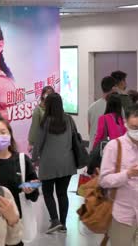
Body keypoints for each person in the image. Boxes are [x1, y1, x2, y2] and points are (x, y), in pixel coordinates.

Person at [100, 103, 138, 246]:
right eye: (135, 127)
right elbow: (104, 180)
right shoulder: (114, 147)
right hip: (122, 216)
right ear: (125, 123)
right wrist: (127, 174)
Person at [33, 93, 77, 233]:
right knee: (62, 193)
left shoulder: (45, 122)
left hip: (48, 164)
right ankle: (63, 224)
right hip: (67, 163)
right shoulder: (69, 119)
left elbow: (38, 143)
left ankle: (55, 220)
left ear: (48, 105)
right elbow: (75, 138)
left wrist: (34, 159)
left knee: (47, 192)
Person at [0, 117, 40, 220]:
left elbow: (34, 194)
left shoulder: (22, 160)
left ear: (10, 135)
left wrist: (30, 190)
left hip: (16, 221)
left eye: (3, 132)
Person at [88, 76, 117, 151]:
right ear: (113, 88)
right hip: (109, 150)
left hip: (93, 150)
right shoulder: (117, 108)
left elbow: (89, 130)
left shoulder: (91, 107)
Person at [28, 86, 55, 153]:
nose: (49, 96)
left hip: (53, 140)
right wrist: (31, 143)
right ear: (43, 95)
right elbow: (34, 127)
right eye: (47, 94)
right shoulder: (38, 110)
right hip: (42, 141)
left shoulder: (55, 109)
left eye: (51, 94)